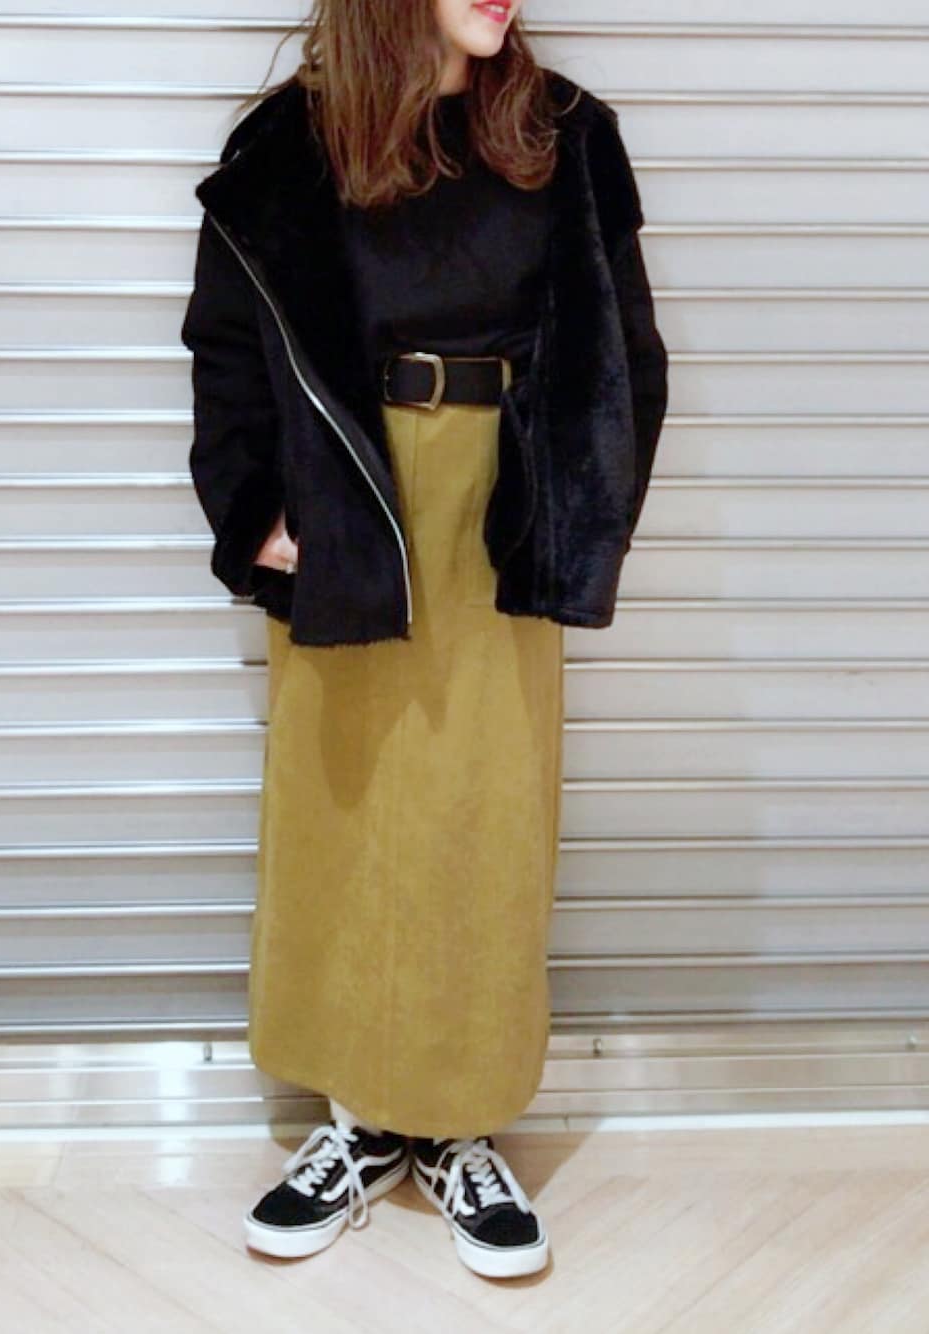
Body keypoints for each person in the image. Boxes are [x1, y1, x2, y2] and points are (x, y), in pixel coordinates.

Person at [180, 0, 668, 1282]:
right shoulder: (291, 142)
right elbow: (225, 345)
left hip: (502, 509)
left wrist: (584, 511)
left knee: (482, 816)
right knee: (341, 806)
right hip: (350, 498)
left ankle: (457, 1125)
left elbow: (626, 346)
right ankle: (358, 1116)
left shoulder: (562, 132)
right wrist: (254, 512)